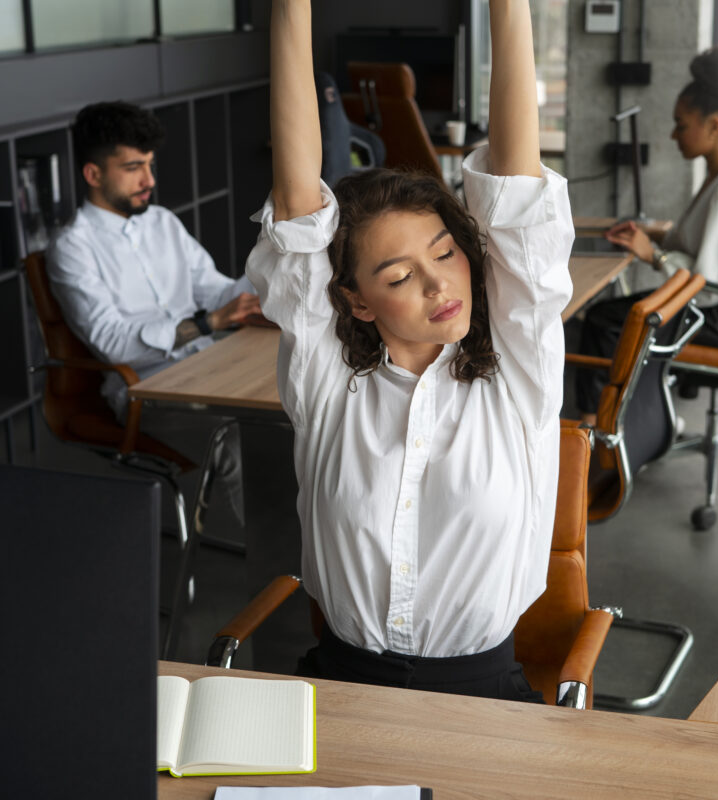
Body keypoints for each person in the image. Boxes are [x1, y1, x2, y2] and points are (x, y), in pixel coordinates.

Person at [244, 0, 573, 702]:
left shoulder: (519, 375)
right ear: (358, 301)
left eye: (446, 253)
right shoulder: (329, 386)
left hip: (484, 695)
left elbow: (518, 187)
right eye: (397, 277)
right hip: (339, 689)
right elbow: (300, 208)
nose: (437, 283)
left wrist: (508, 8)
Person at [48, 101, 263, 522]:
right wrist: (207, 323)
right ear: (93, 174)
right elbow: (113, 345)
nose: (150, 179)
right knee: (238, 443)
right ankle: (277, 575)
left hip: (206, 368)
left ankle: (305, 553)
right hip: (144, 395)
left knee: (293, 414)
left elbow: (218, 290)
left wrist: (271, 267)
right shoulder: (72, 247)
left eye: (149, 164)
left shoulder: (161, 221)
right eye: (132, 168)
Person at [576, 47, 718, 421]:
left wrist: (653, 254)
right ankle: (629, 420)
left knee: (605, 321)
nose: (673, 134)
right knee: (611, 316)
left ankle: (595, 432)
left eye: (681, 125)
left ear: (715, 126)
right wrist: (652, 238)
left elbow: (711, 286)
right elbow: (699, 248)